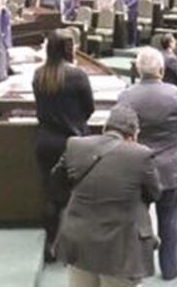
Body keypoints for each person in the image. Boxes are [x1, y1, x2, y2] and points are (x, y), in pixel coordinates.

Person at [52, 105, 160, 287]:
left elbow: (57, 182)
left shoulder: (75, 145)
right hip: (120, 248)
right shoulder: (141, 155)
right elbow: (154, 193)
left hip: (80, 241)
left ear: (105, 128)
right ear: (133, 134)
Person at [116, 48, 177, 281]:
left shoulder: (126, 96)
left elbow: (121, 131)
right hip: (169, 168)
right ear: (161, 69)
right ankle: (171, 269)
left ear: (138, 70)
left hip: (137, 168)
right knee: (169, 220)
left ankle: (136, 268)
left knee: (136, 221)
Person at [33, 29, 95, 263]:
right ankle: (73, 249)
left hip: (46, 141)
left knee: (51, 194)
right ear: (70, 49)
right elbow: (89, 109)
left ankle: (50, 245)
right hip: (74, 143)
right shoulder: (77, 76)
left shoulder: (39, 75)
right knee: (76, 197)